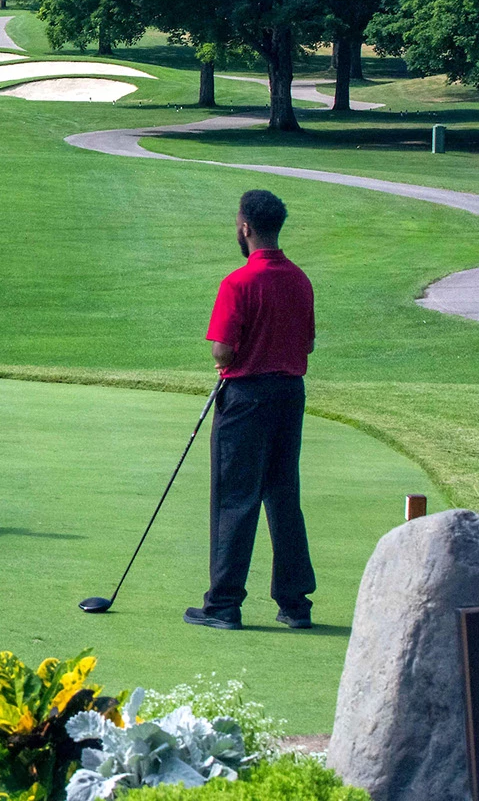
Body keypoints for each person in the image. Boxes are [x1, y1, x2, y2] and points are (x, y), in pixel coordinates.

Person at [187, 189, 316, 631]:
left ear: (245, 228)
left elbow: (222, 352)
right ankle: (295, 603)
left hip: (245, 401)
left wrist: (235, 357)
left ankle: (223, 605)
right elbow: (309, 344)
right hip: (289, 396)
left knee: (235, 498)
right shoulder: (300, 279)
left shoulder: (238, 283)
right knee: (283, 496)